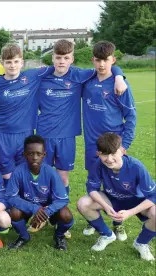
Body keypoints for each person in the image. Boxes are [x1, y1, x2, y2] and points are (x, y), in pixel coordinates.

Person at [36, 39, 127, 238]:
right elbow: (15, 75)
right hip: (44, 136)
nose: (61, 61)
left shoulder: (79, 75)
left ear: (72, 59)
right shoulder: (41, 75)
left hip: (67, 137)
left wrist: (120, 76)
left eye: (66, 58)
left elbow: (106, 66)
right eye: (58, 57)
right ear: (52, 58)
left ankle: (62, 217)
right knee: (43, 176)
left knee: (63, 177)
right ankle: (43, 214)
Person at [81, 41, 136, 237]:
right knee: (93, 182)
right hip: (92, 144)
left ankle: (117, 222)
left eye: (106, 60)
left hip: (113, 146)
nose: (102, 64)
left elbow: (131, 117)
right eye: (98, 60)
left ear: (113, 59)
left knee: (115, 185)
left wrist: (124, 145)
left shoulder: (119, 85)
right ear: (93, 60)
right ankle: (93, 219)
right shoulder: (87, 80)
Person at [0, 43, 54, 188]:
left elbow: (61, 66)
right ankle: (7, 207)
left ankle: (23, 205)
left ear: (22, 62)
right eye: (8, 62)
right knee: (5, 175)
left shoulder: (32, 76)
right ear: (2, 63)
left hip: (26, 135)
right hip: (3, 136)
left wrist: (115, 72)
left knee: (25, 172)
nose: (12, 65)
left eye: (16, 61)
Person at [77, 133, 155, 261]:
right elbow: (92, 189)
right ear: (98, 154)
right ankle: (107, 235)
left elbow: (153, 196)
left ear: (122, 151)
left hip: (135, 202)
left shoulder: (136, 166)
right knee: (83, 203)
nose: (109, 159)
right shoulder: (97, 164)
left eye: (113, 154)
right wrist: (106, 206)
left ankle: (141, 243)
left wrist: (130, 212)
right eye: (104, 154)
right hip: (112, 199)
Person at [5, 135, 74, 251]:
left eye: (38, 154)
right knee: (14, 212)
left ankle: (59, 236)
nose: (35, 157)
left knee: (66, 215)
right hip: (27, 208)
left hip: (48, 209)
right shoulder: (18, 172)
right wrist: (34, 209)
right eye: (31, 154)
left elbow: (63, 199)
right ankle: (24, 236)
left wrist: (46, 211)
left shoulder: (51, 172)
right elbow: (11, 197)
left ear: (44, 155)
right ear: (24, 155)